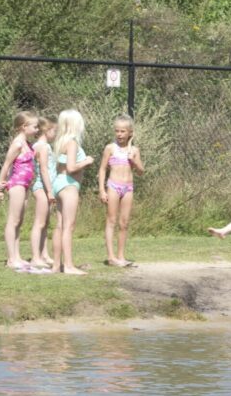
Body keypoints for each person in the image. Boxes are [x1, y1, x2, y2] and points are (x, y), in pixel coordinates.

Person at [50, 109, 95, 275]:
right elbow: (71, 167)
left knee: (60, 225)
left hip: (59, 183)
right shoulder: (72, 143)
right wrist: (86, 161)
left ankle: (56, 265)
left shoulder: (60, 142)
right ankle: (68, 266)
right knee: (69, 226)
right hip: (69, 185)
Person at [0, 111, 40, 269]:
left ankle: (17, 256)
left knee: (19, 221)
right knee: (13, 220)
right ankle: (11, 259)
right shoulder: (18, 144)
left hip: (25, 185)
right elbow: (6, 165)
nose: (37, 130)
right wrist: (0, 187)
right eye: (35, 127)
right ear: (24, 126)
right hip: (17, 184)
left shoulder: (27, 144)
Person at [97, 115, 145, 267]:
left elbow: (141, 171)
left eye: (123, 131)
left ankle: (121, 256)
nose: (119, 134)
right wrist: (101, 190)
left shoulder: (134, 150)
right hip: (113, 186)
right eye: (117, 131)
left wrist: (134, 160)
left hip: (128, 188)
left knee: (124, 223)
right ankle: (111, 257)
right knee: (111, 220)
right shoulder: (110, 148)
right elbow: (102, 169)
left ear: (130, 132)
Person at [28, 116, 57, 269]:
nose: (56, 134)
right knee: (39, 223)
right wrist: (50, 191)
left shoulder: (44, 146)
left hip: (47, 188)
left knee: (45, 223)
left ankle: (44, 254)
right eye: (54, 131)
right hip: (42, 188)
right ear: (47, 130)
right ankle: (35, 257)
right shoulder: (42, 147)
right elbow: (44, 169)